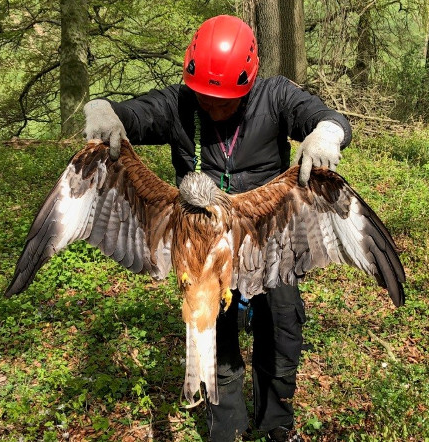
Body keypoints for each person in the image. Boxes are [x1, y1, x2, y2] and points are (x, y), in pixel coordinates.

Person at [83, 15, 351, 442]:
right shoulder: (180, 104)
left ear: (249, 83)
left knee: (281, 333)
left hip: (266, 238)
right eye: (205, 96)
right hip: (203, 249)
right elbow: (138, 114)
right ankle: (225, 432)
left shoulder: (276, 96)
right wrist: (107, 112)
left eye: (224, 99)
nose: (213, 106)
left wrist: (328, 132)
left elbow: (320, 114)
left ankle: (276, 426)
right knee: (221, 350)